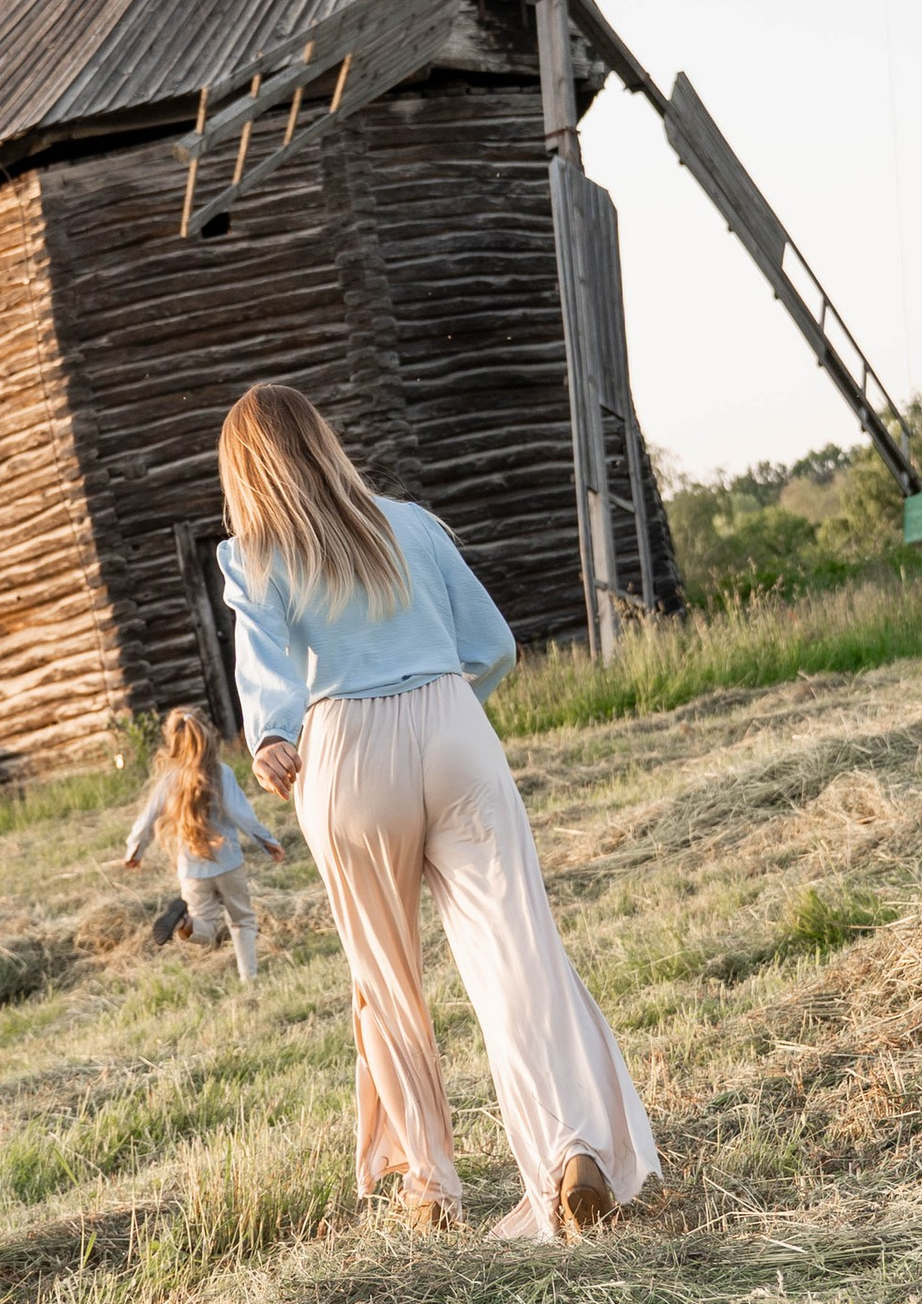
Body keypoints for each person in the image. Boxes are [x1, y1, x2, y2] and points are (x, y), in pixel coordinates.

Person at [216, 380, 657, 1240]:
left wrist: (272, 734)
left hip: (344, 751)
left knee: (387, 980)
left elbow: (262, 662)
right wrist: (451, 706)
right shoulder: (412, 523)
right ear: (322, 440)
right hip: (455, 727)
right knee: (518, 953)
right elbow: (493, 645)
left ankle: (431, 1186)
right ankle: (574, 1151)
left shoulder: (255, 551)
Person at [122, 705, 282, 986]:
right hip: (228, 862)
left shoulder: (169, 781)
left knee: (204, 930)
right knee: (241, 920)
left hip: (192, 870)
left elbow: (146, 819)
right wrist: (267, 841)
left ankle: (184, 923)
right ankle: (249, 978)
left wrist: (134, 851)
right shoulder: (222, 773)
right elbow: (241, 814)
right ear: (209, 736)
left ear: (173, 742)